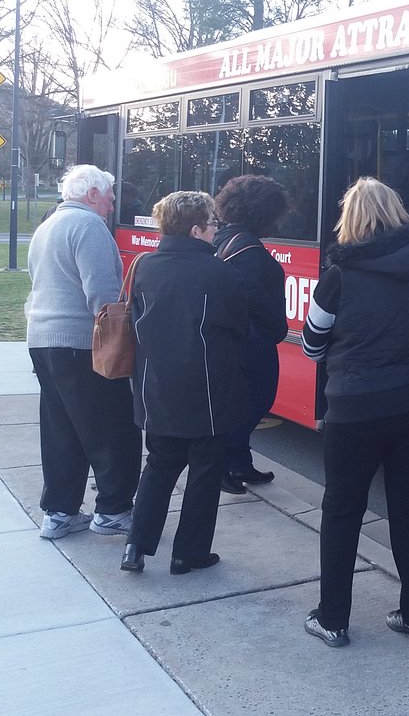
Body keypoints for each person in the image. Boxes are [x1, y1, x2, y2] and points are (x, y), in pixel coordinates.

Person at [301, 177, 409, 649]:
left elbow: (311, 344)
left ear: (352, 219)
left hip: (356, 411)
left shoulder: (338, 276)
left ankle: (333, 620)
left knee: (342, 511)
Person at [120, 192, 249, 575]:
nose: (216, 231)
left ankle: (135, 547)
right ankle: (188, 553)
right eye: (212, 224)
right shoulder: (221, 272)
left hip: (156, 389)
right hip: (208, 393)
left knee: (158, 466)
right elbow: (241, 329)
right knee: (205, 472)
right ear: (195, 229)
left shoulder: (144, 266)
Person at [26, 164, 141, 540]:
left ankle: (58, 513)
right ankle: (113, 510)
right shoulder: (89, 227)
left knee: (61, 430)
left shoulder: (47, 227)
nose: (111, 205)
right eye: (109, 196)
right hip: (81, 344)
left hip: (43, 340)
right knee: (113, 427)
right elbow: (103, 297)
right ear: (91, 194)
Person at [212, 175, 292, 494]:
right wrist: (277, 331)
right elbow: (266, 309)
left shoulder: (222, 239)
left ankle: (240, 462)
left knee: (239, 407)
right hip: (252, 346)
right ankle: (225, 466)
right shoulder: (253, 256)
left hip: (229, 342)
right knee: (252, 405)